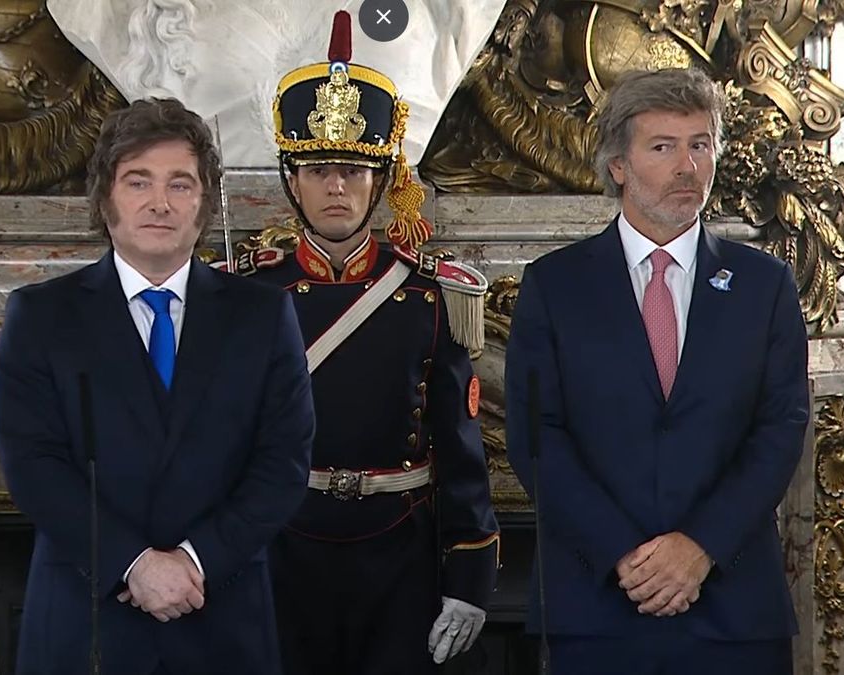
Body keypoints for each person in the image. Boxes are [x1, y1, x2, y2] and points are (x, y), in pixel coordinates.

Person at [0, 97, 315, 675]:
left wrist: (195, 561)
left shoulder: (263, 315)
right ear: (105, 199)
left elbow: (283, 461)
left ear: (204, 204)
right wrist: (133, 563)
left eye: (180, 184)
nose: (159, 202)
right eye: (138, 181)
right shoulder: (41, 316)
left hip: (221, 614)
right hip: (87, 620)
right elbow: (33, 465)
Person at [504, 67, 809, 674]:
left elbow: (780, 430)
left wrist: (700, 548)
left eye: (700, 145)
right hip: (596, 607)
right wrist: (626, 556)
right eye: (663, 147)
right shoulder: (555, 286)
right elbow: (536, 439)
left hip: (733, 610)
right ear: (618, 165)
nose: (687, 167)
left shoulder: (764, 285)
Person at [228, 11, 499, 674]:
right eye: (318, 168)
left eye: (353, 169)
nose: (336, 186)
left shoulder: (431, 294)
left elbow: (459, 450)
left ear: (382, 180)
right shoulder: (244, 295)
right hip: (281, 552)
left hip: (400, 559)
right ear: (291, 180)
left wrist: (469, 578)